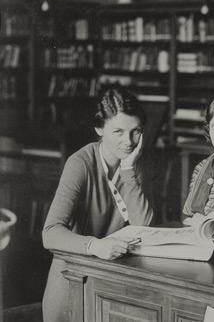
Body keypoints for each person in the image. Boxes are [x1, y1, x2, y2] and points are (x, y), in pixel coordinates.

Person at [42, 89, 154, 322]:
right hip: (72, 277)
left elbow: (144, 226)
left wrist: (128, 172)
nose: (129, 142)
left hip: (112, 276)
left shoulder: (133, 163)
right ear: (99, 130)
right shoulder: (80, 163)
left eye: (136, 131)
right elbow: (50, 233)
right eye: (118, 132)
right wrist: (95, 245)